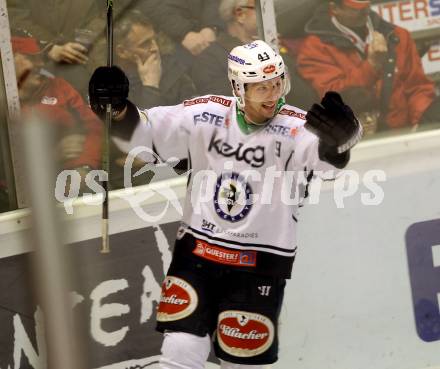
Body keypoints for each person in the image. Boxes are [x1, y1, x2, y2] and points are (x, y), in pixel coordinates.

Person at [89, 40, 361, 368]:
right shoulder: (204, 114)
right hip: (198, 252)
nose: (273, 94)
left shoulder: (296, 127)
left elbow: (328, 166)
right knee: (179, 352)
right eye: (261, 87)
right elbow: (142, 134)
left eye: (277, 83)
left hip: (259, 262)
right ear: (238, 87)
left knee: (241, 363)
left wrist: (343, 141)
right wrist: (115, 108)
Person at [297, 0, 440, 131]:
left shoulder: (398, 36)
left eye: (366, 6)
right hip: (356, 138)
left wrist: (419, 124)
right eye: (356, 8)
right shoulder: (314, 49)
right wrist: (372, 66)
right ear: (334, 8)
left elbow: (417, 88)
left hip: (404, 131)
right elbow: (335, 98)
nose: (365, 11)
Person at [107, 10, 196, 188]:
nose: (154, 47)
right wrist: (151, 86)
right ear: (122, 51)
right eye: (145, 43)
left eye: (153, 39)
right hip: (136, 180)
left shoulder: (173, 71)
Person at [13, 37, 103, 176]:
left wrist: (83, 166)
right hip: (19, 188)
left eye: (40, 58)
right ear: (8, 60)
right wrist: (52, 156)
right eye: (31, 58)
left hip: (73, 174)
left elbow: (94, 128)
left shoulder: (59, 87)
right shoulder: (4, 103)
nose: (41, 64)